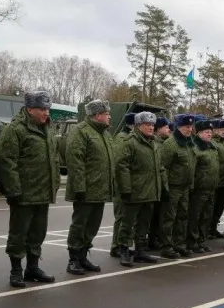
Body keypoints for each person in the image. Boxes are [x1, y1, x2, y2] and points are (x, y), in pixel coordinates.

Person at [0, 90, 60, 288]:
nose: (46, 113)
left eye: (48, 109)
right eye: (42, 109)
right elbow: (6, 161)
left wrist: (55, 183)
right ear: (30, 109)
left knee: (37, 233)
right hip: (23, 193)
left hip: (43, 192)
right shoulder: (16, 129)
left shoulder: (48, 129)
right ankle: (16, 270)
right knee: (18, 234)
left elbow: (54, 158)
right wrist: (13, 190)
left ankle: (32, 267)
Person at [64, 99, 114, 275]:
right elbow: (75, 160)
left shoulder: (105, 134)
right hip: (85, 189)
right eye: (107, 114)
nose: (109, 117)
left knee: (93, 225)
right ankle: (73, 259)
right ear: (98, 115)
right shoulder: (81, 131)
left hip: (100, 189)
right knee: (80, 224)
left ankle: (83, 256)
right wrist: (79, 187)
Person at [115, 111, 167, 266]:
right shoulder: (129, 142)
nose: (151, 127)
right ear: (138, 126)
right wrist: (126, 189)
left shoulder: (154, 143)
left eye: (152, 125)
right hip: (134, 191)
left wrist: (164, 186)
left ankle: (140, 250)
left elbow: (160, 167)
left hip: (150, 191)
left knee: (144, 223)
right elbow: (121, 166)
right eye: (147, 125)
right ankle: (123, 250)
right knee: (127, 224)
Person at [159, 114, 196, 258]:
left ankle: (179, 244)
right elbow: (163, 167)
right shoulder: (171, 144)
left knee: (182, 216)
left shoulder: (188, 142)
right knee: (169, 218)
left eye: (191, 127)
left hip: (185, 187)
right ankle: (166, 246)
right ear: (179, 127)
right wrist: (165, 187)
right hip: (173, 187)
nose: (190, 129)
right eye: (187, 127)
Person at [188, 119, 220, 253]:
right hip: (199, 189)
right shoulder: (195, 148)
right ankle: (191, 241)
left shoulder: (212, 148)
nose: (209, 134)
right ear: (199, 133)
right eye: (206, 132)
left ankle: (201, 240)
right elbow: (192, 170)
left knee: (206, 216)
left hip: (211, 188)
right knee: (195, 216)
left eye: (210, 132)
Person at [110, 112, 136, 257]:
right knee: (121, 216)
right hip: (121, 184)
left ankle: (123, 244)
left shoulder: (128, 138)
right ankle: (116, 246)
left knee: (127, 217)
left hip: (129, 183)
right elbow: (120, 163)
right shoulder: (122, 138)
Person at [148, 116, 172, 249]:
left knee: (159, 215)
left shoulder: (165, 143)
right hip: (153, 184)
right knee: (152, 215)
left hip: (163, 184)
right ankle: (150, 239)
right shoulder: (155, 143)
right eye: (166, 127)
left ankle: (154, 238)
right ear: (158, 129)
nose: (169, 129)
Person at [209, 119, 224, 239]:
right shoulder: (212, 143)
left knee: (219, 207)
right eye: (221, 130)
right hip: (216, 181)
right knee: (212, 207)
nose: (223, 132)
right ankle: (208, 229)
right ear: (214, 130)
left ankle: (213, 228)